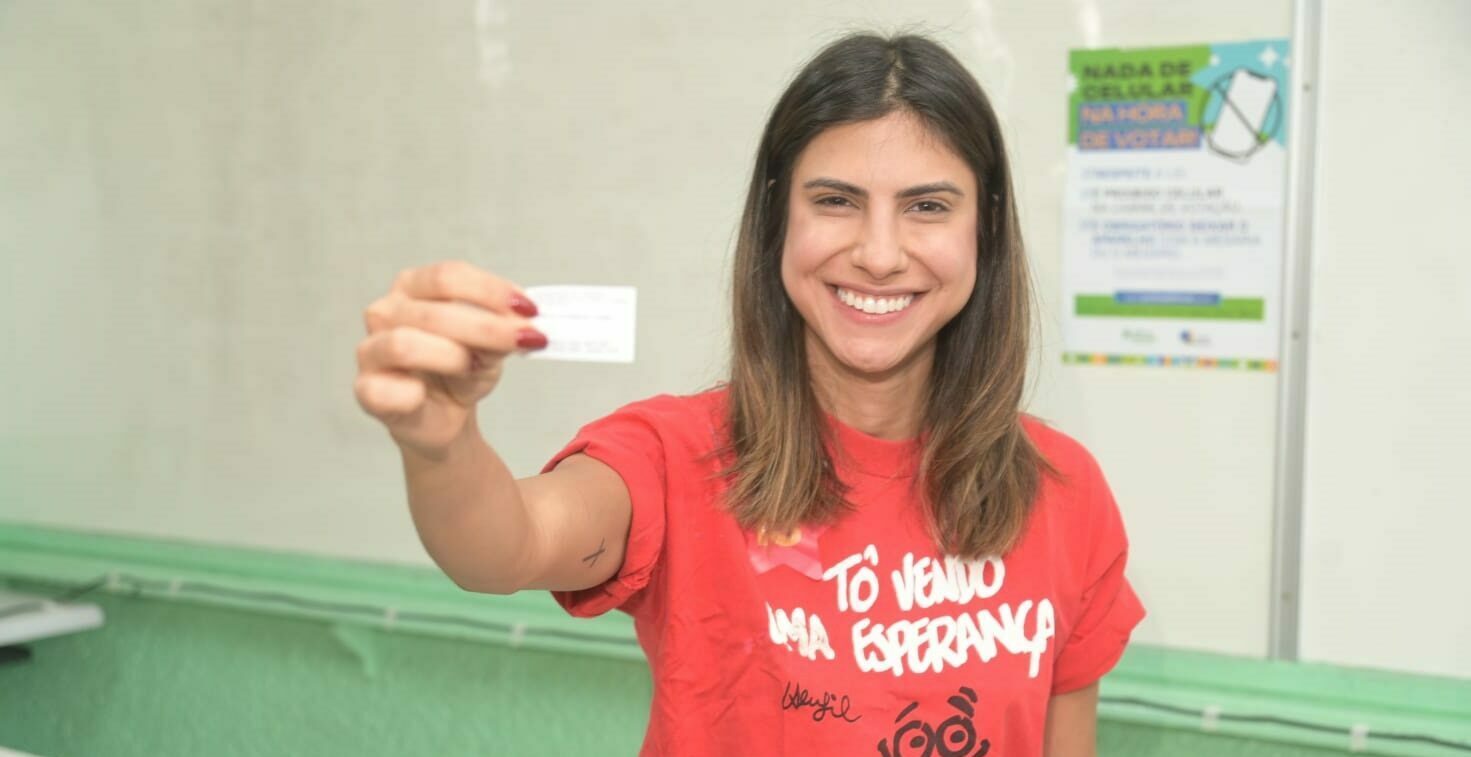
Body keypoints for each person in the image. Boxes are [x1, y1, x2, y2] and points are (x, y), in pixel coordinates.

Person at [354, 32, 1144, 757]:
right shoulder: (673, 456)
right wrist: (441, 443)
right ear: (777, 223)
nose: (877, 253)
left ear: (985, 231)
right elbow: (504, 547)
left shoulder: (1062, 488)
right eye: (834, 200)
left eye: (927, 206)